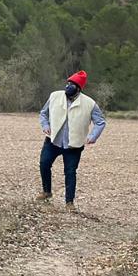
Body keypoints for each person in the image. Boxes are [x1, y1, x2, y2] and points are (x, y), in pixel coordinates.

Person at [38, 70, 106, 210]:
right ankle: (47, 192)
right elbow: (43, 113)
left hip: (74, 144)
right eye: (68, 83)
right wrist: (45, 125)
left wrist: (93, 136)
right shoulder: (55, 96)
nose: (69, 86)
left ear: (79, 88)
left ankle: (69, 203)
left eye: (73, 85)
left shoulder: (89, 104)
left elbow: (100, 122)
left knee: (70, 172)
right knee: (44, 164)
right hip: (53, 140)